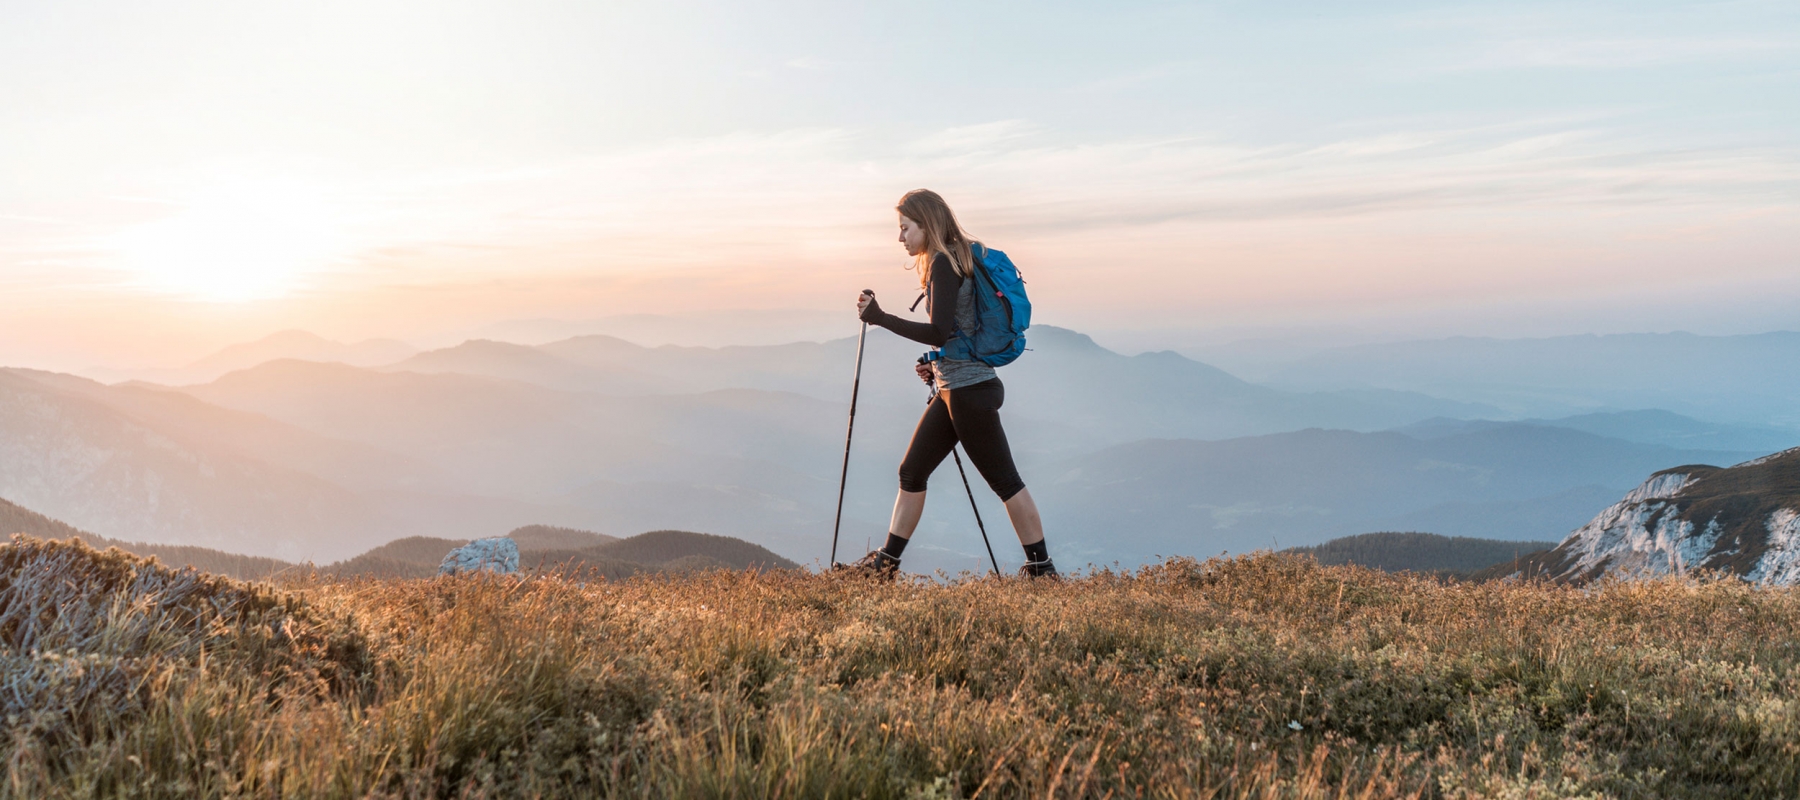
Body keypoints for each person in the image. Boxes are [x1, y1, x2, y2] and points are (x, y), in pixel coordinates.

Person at [850, 189, 1057, 578]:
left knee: (1006, 481)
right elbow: (954, 334)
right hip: (959, 387)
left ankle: (1042, 569)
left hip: (969, 394)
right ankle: (886, 565)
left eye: (905, 228)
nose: (901, 238)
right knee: (912, 471)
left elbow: (940, 330)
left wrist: (880, 317)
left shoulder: (944, 263)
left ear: (925, 225)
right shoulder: (954, 259)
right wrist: (935, 364)